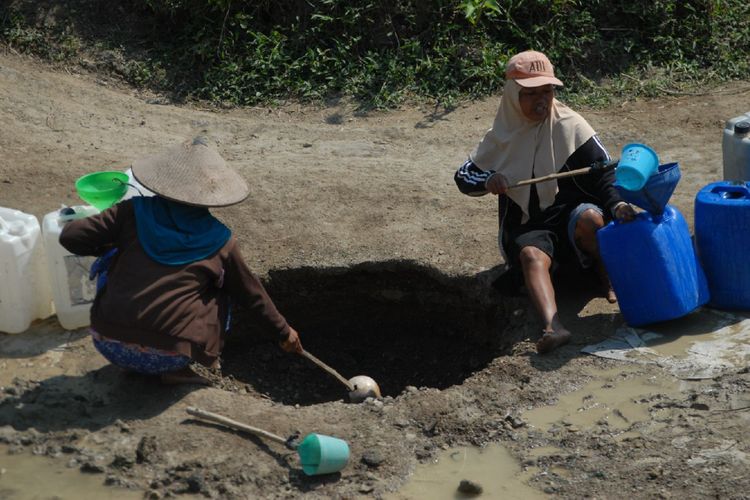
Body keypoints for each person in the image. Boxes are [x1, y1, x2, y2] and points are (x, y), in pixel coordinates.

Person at [60, 137, 303, 384]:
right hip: (170, 355)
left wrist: (114, 248)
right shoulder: (220, 240)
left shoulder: (131, 211)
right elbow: (251, 295)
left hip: (108, 343)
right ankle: (176, 371)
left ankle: (135, 363)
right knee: (222, 288)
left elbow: (71, 236)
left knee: (113, 261)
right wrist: (284, 332)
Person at [454, 50, 636, 354]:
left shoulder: (572, 125)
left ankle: (608, 278)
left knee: (592, 219)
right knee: (530, 255)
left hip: (571, 217)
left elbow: (605, 173)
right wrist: (488, 181)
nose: (542, 100)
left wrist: (617, 205)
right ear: (513, 96)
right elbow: (463, 177)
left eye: (547, 91)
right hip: (530, 223)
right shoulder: (501, 136)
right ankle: (554, 326)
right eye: (531, 93)